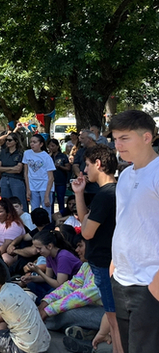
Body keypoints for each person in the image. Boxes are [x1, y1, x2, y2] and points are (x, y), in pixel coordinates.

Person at [108, 110, 159, 351]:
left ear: (147, 137)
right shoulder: (126, 175)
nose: (117, 144)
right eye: (115, 138)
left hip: (150, 282)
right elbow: (125, 222)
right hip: (122, 278)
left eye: (124, 138)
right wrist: (114, 264)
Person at [70, 143, 123, 352]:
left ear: (98, 164)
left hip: (104, 261)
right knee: (113, 315)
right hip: (109, 260)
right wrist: (79, 193)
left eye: (88, 165)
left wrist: (85, 223)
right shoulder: (113, 191)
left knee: (114, 318)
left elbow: (86, 232)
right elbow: (85, 220)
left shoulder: (105, 195)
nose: (84, 170)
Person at [39, 234, 104, 333]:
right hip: (90, 308)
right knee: (53, 309)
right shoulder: (87, 265)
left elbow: (82, 295)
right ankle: (86, 332)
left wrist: (48, 310)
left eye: (80, 246)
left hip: (105, 313)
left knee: (61, 315)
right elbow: (71, 286)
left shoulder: (104, 269)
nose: (77, 250)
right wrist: (47, 301)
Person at [22, 230, 82, 304]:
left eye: (39, 248)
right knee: (31, 283)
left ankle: (41, 300)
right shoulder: (49, 255)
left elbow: (59, 284)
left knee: (47, 296)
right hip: (60, 284)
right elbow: (48, 277)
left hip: (72, 287)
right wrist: (31, 278)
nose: (37, 251)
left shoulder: (63, 256)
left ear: (49, 246)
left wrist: (38, 271)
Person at [23, 134, 56, 219]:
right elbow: (26, 173)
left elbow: (51, 177)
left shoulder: (46, 157)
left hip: (45, 186)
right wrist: (28, 189)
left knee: (46, 209)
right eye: (31, 142)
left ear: (41, 144)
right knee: (34, 210)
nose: (32, 144)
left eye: (34, 142)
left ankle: (47, 229)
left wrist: (46, 195)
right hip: (32, 185)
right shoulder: (27, 153)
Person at [0, 132, 27, 211]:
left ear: (16, 141)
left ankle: (24, 221)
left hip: (16, 179)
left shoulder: (20, 153)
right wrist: (12, 168)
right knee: (6, 203)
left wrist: (5, 168)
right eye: (6, 140)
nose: (7, 142)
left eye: (10, 140)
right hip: (4, 179)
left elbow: (18, 170)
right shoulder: (3, 152)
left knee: (19, 202)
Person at [72, 130, 99, 204]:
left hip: (98, 187)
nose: (80, 140)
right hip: (84, 188)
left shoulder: (101, 150)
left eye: (82, 138)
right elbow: (75, 165)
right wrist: (81, 176)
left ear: (90, 139)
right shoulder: (80, 151)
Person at [48, 138, 71, 213]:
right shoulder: (47, 156)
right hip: (50, 181)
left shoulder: (63, 156)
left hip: (60, 180)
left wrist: (60, 166)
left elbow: (68, 168)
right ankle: (50, 216)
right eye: (50, 146)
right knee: (50, 200)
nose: (51, 148)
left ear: (57, 146)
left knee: (61, 199)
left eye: (53, 146)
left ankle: (61, 215)